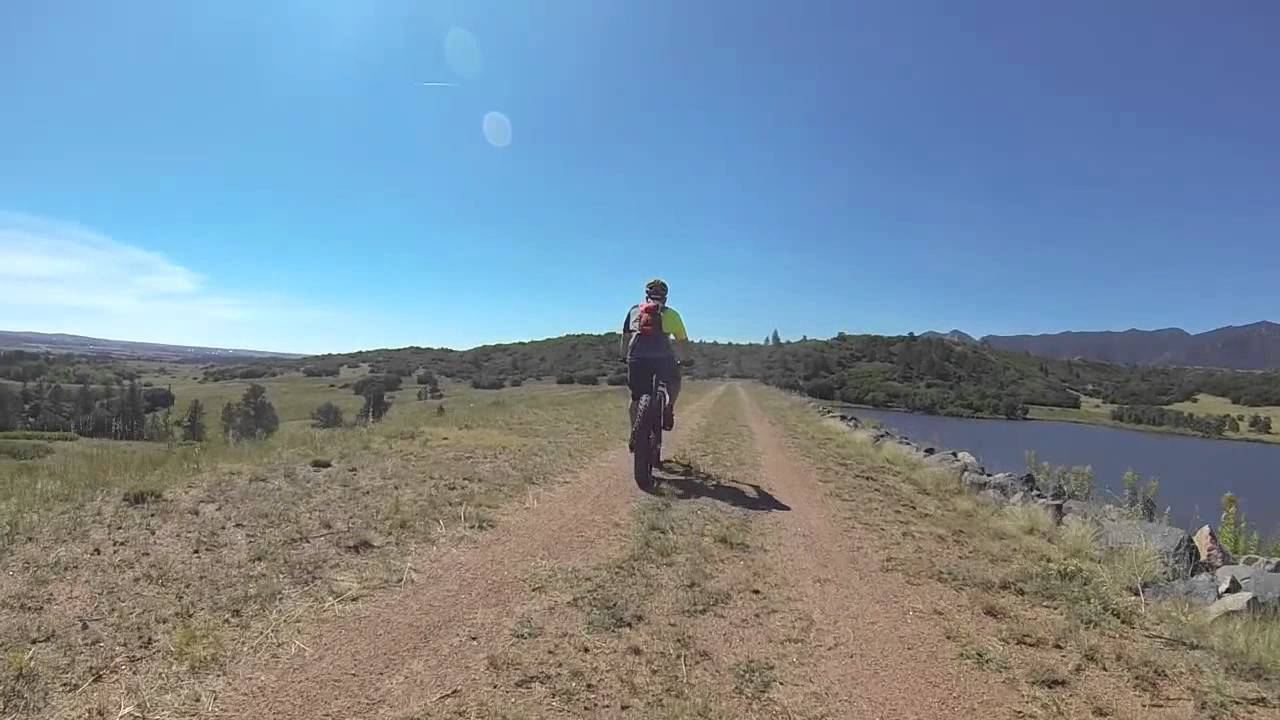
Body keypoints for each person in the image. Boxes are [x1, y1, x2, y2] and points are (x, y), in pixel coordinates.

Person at [620, 278, 691, 437]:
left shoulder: (634, 311)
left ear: (647, 295)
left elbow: (625, 338)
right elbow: (682, 342)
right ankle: (669, 406)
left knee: (636, 397)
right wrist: (686, 359)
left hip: (637, 357)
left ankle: (634, 433)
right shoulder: (672, 315)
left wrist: (623, 356)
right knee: (674, 380)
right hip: (663, 358)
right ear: (665, 298)